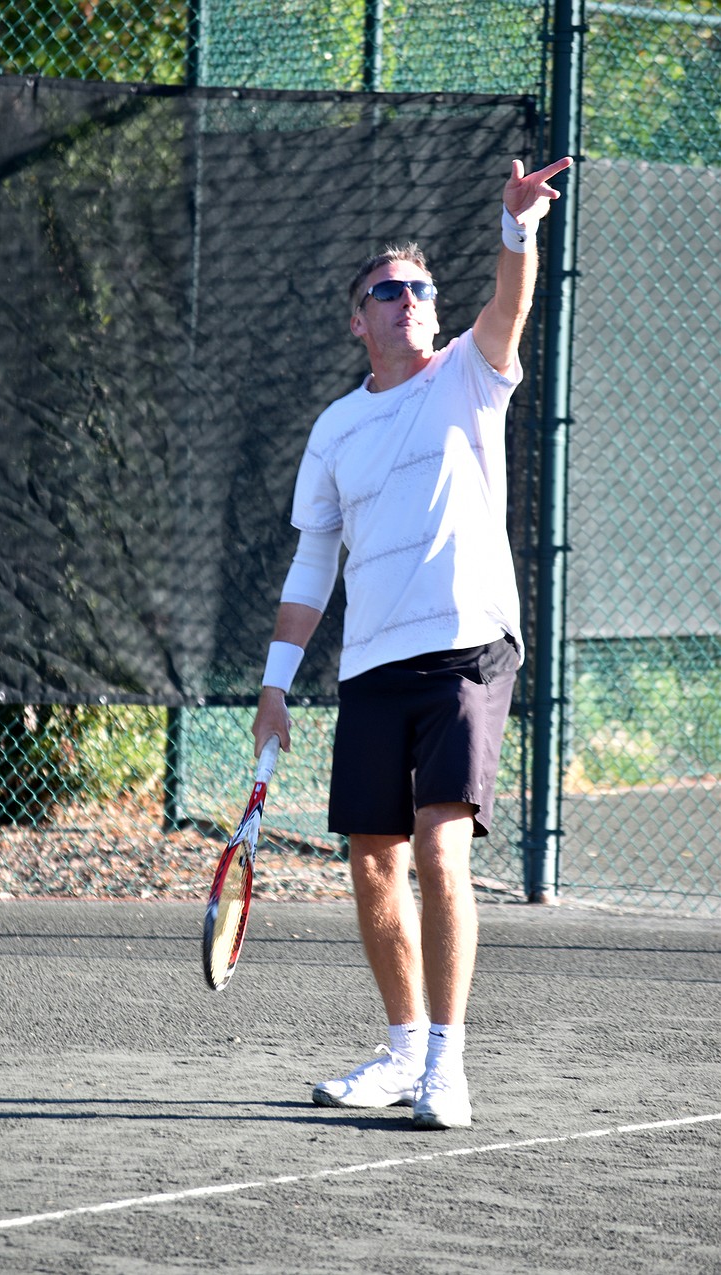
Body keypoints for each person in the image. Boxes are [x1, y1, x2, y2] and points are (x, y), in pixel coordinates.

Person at [252, 156, 573, 1130]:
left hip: (470, 646)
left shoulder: (471, 375)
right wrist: (274, 686)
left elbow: (508, 308)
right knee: (371, 863)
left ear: (435, 309)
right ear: (358, 319)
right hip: (371, 668)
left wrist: (515, 230)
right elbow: (313, 567)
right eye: (385, 292)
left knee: (440, 850)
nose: (405, 302)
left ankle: (448, 1063)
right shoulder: (337, 427)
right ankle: (400, 1048)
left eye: (418, 289)